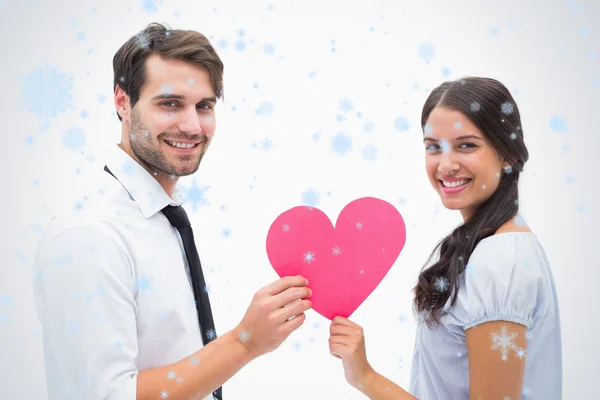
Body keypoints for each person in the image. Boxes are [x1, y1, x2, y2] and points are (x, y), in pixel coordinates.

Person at [32, 22, 312, 400]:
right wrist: (244, 342)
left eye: (204, 106)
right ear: (122, 101)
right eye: (170, 104)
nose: (193, 126)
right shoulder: (89, 235)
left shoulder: (166, 217)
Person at [328, 77, 562, 399]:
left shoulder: (499, 262)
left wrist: (367, 377)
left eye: (466, 145)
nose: (446, 165)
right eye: (433, 147)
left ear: (507, 153)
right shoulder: (494, 248)